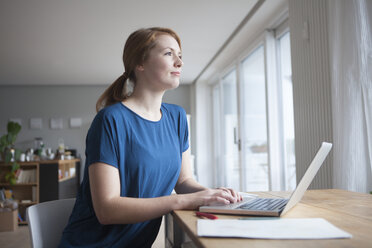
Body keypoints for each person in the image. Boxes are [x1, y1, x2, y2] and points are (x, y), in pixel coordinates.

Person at [59, 27, 242, 248]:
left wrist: (213, 194)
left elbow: (183, 182)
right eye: (169, 54)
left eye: (180, 56)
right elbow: (107, 210)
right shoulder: (110, 120)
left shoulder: (177, 117)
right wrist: (183, 201)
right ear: (140, 63)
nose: (179, 63)